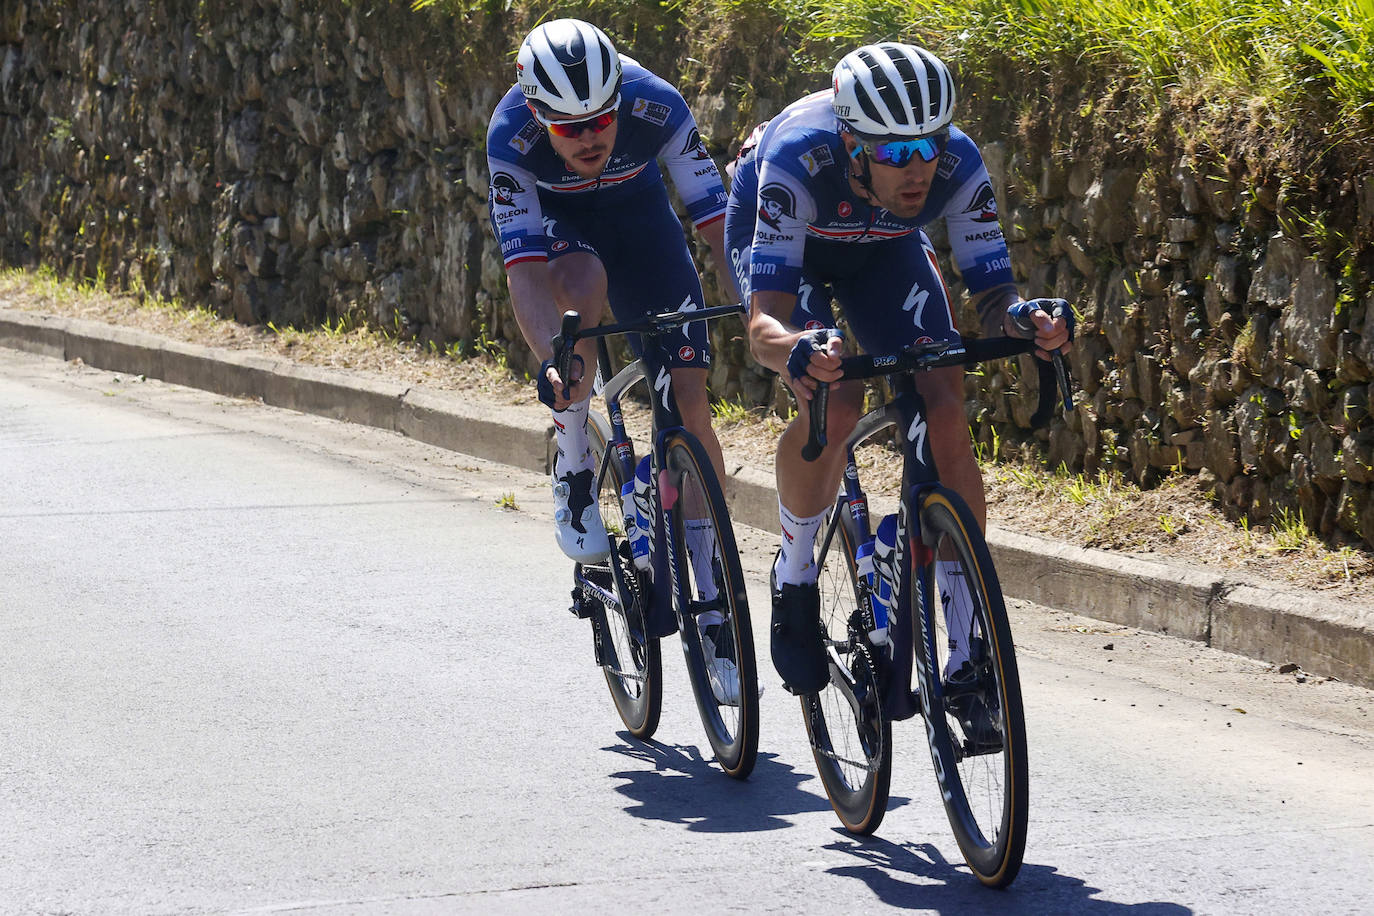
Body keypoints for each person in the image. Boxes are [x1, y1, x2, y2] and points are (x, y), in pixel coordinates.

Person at [724, 42, 1071, 697]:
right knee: (841, 397)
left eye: (926, 148)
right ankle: (793, 574)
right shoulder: (799, 161)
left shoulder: (958, 164)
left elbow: (994, 297)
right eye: (893, 153)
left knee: (943, 402)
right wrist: (797, 352)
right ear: (854, 145)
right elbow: (763, 326)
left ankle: (971, 647)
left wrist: (1029, 322)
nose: (916, 170)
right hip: (788, 249)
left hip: (881, 249)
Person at [486, 19, 740, 702]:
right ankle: (573, 456)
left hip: (642, 220)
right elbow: (525, 273)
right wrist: (555, 364)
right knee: (582, 291)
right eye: (569, 128)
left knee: (688, 395)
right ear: (538, 116)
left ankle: (712, 591)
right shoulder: (510, 138)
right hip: (562, 234)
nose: (591, 135)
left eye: (601, 118)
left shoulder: (657, 105)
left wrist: (758, 303)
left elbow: (717, 222)